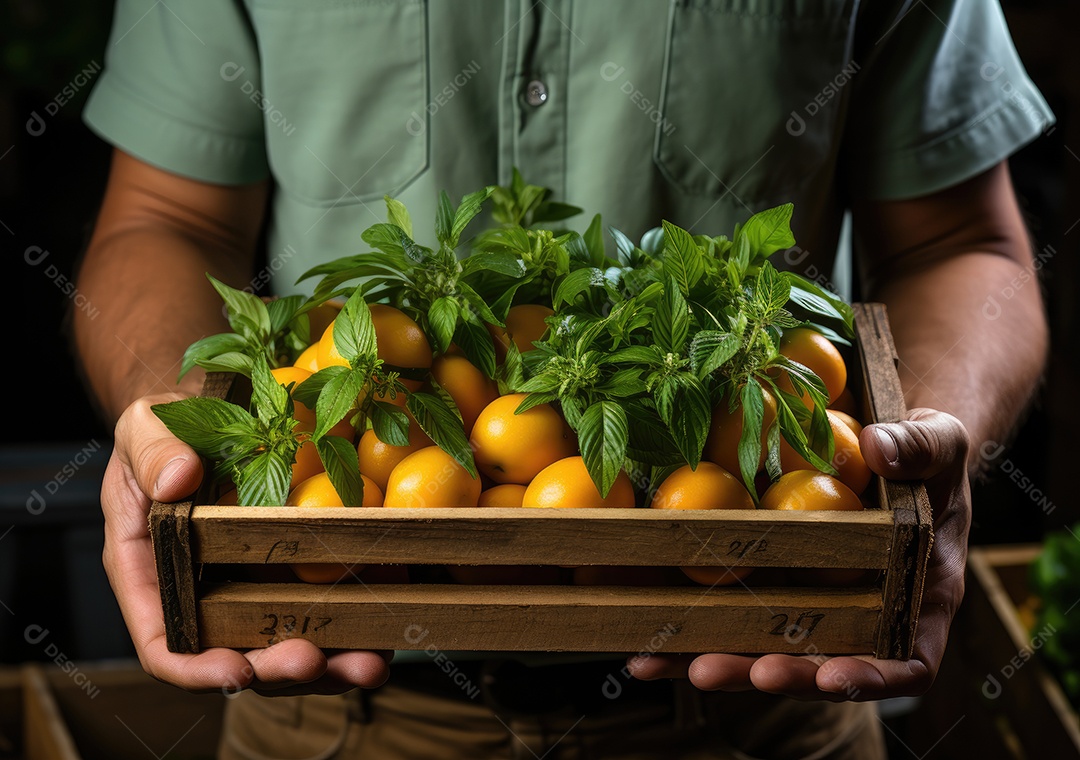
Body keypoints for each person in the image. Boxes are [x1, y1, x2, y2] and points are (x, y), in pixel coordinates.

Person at [73, 0, 1052, 757]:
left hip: (766, 694)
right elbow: (166, 216)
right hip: (335, 700)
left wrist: (922, 438)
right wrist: (175, 417)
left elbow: (961, 239)